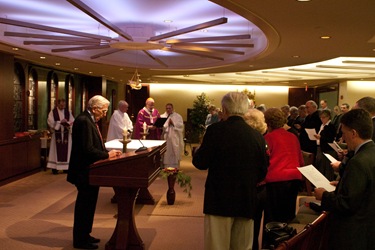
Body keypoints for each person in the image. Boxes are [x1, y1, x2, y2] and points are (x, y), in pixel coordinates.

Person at [192, 92, 269, 250]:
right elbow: (262, 171)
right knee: (242, 246)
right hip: (246, 199)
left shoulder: (215, 130)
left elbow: (200, 162)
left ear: (224, 109)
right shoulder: (257, 136)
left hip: (219, 199)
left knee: (217, 245)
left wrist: (198, 150)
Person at [314, 108, 375, 250]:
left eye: (343, 133)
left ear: (353, 133)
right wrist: (342, 184)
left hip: (354, 232)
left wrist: (324, 195)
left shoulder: (357, 162)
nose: (342, 138)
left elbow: (347, 204)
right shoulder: (371, 151)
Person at [67, 95, 122, 249]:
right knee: (84, 206)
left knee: (89, 205)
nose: (105, 114)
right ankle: (80, 240)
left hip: (91, 171)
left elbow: (94, 145)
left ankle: (85, 234)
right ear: (95, 108)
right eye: (104, 111)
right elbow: (87, 149)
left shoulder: (89, 120)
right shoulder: (84, 121)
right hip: (84, 171)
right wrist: (107, 155)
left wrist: (107, 152)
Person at [263, 108, 304, 224]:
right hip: (294, 178)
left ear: (268, 123)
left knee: (273, 218)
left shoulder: (268, 138)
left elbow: (264, 160)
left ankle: (274, 241)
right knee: (288, 215)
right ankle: (288, 240)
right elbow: (300, 161)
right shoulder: (292, 136)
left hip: (275, 180)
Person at [47, 99, 74, 174]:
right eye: (61, 105)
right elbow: (50, 122)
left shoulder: (68, 112)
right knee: (55, 150)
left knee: (67, 150)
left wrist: (67, 123)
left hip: (66, 134)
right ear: (57, 104)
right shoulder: (53, 112)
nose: (63, 107)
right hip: (57, 134)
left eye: (64, 105)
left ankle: (66, 168)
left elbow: (72, 120)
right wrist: (59, 123)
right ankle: (55, 168)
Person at [314, 109, 337, 181]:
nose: (322, 119)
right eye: (321, 117)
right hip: (321, 148)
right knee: (320, 167)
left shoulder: (331, 126)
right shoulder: (322, 125)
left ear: (328, 117)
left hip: (328, 149)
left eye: (323, 117)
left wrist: (320, 137)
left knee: (327, 168)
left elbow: (330, 138)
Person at [161, 103, 184, 168]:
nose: (168, 110)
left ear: (172, 108)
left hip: (175, 137)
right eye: (167, 108)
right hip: (166, 137)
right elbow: (161, 127)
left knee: (174, 151)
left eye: (169, 108)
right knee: (167, 152)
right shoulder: (162, 116)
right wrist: (166, 125)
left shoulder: (178, 116)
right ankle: (166, 167)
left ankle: (175, 166)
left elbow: (181, 126)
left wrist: (173, 124)